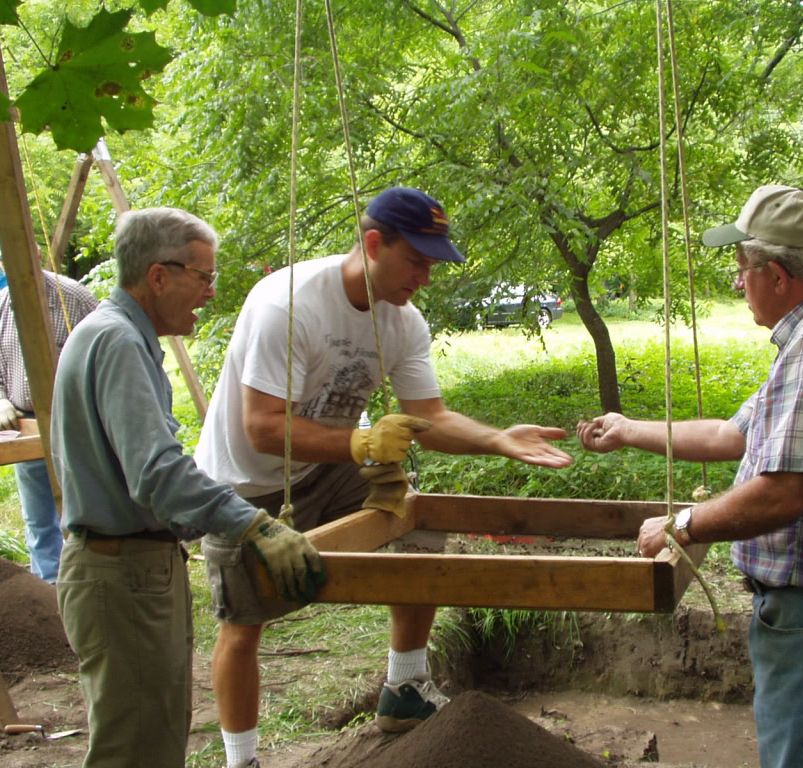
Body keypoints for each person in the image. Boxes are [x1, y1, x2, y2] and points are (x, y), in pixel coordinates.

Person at [194, 186, 573, 768]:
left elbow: (431, 416)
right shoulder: (287, 303)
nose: (425, 276)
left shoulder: (402, 321)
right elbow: (262, 428)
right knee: (246, 619)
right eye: (417, 260)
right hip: (245, 481)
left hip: (330, 468)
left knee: (417, 529)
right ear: (374, 243)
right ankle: (240, 760)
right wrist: (362, 442)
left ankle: (404, 689)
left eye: (432, 263)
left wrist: (496, 440)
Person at [577, 185, 803, 768]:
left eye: (743, 268)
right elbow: (734, 436)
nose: (737, 282)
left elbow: (782, 493)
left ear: (777, 276)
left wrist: (682, 525)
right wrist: (629, 429)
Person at [51, 207, 326, 768]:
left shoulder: (119, 337)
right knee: (135, 748)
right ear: (158, 275)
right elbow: (156, 472)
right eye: (203, 277)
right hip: (120, 575)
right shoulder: (117, 342)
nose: (209, 293)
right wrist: (253, 522)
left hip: (135, 570)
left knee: (154, 734)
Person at [0, 240, 98, 584]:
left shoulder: (74, 296)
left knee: (84, 509)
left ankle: (89, 581)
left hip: (76, 424)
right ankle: (48, 590)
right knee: (38, 519)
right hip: (26, 427)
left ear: (36, 252)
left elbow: (105, 353)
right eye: (4, 258)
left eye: (19, 255)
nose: (11, 264)